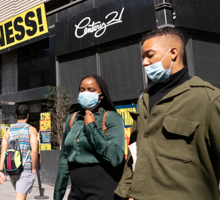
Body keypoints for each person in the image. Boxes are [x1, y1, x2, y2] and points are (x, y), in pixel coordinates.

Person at [115, 27, 220, 200]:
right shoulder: (144, 98)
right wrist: (125, 191)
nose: (144, 62)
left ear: (173, 53)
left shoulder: (208, 99)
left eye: (149, 55)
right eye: (142, 57)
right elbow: (135, 152)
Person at [54, 74, 125, 200]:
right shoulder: (72, 119)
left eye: (91, 90)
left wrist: (91, 127)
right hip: (76, 190)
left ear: (101, 95)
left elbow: (116, 157)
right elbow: (64, 159)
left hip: (103, 188)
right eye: (82, 90)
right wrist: (58, 195)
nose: (85, 93)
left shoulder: (111, 118)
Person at [0, 104, 38, 200]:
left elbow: (3, 152)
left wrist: (0, 171)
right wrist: (33, 168)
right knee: (20, 197)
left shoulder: (8, 132)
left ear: (16, 115)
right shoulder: (31, 129)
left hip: (12, 169)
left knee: (21, 195)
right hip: (25, 168)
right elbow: (34, 151)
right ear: (27, 115)